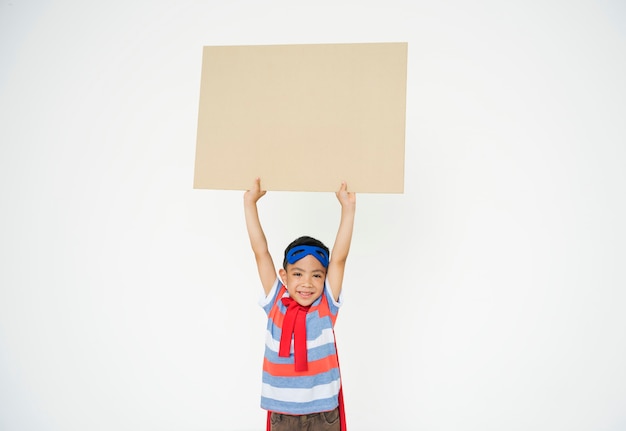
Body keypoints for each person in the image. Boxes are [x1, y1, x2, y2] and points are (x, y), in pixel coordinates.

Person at [244, 177, 356, 431]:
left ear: (325, 278)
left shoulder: (325, 307)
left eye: (316, 275)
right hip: (282, 415)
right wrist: (250, 204)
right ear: (284, 277)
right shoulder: (277, 303)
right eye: (297, 274)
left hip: (323, 415)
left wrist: (348, 209)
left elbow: (339, 259)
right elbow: (260, 252)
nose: (307, 283)